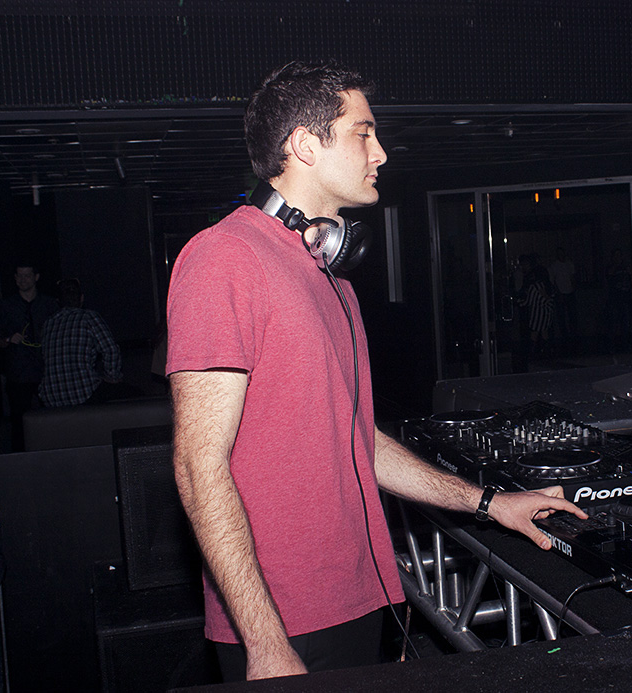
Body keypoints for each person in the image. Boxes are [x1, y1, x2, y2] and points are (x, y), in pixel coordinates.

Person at [167, 61, 587, 682]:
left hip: (361, 596)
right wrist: (265, 642)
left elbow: (358, 442)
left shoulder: (330, 278)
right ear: (305, 145)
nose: (381, 153)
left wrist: (489, 503)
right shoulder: (225, 259)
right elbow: (197, 465)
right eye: (363, 133)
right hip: (286, 620)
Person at [0, 263, 59, 450]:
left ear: (36, 277)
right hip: (18, 373)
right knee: (19, 422)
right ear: (14, 278)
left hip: (46, 372)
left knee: (51, 419)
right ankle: (20, 458)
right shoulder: (6, 306)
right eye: (19, 276)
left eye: (27, 275)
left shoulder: (49, 304)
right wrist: (8, 339)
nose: (23, 280)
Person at [38, 278, 123, 407]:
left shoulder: (48, 323)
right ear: (82, 298)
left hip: (51, 397)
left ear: (58, 301)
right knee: (134, 394)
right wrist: (112, 377)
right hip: (83, 393)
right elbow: (110, 349)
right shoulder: (88, 317)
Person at [548, 247, 578, 353]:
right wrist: (558, 292)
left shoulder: (569, 264)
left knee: (572, 316)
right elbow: (553, 281)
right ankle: (565, 337)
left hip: (570, 293)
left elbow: (573, 278)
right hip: (560, 295)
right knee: (561, 317)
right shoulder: (554, 266)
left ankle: (573, 336)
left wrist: (573, 290)